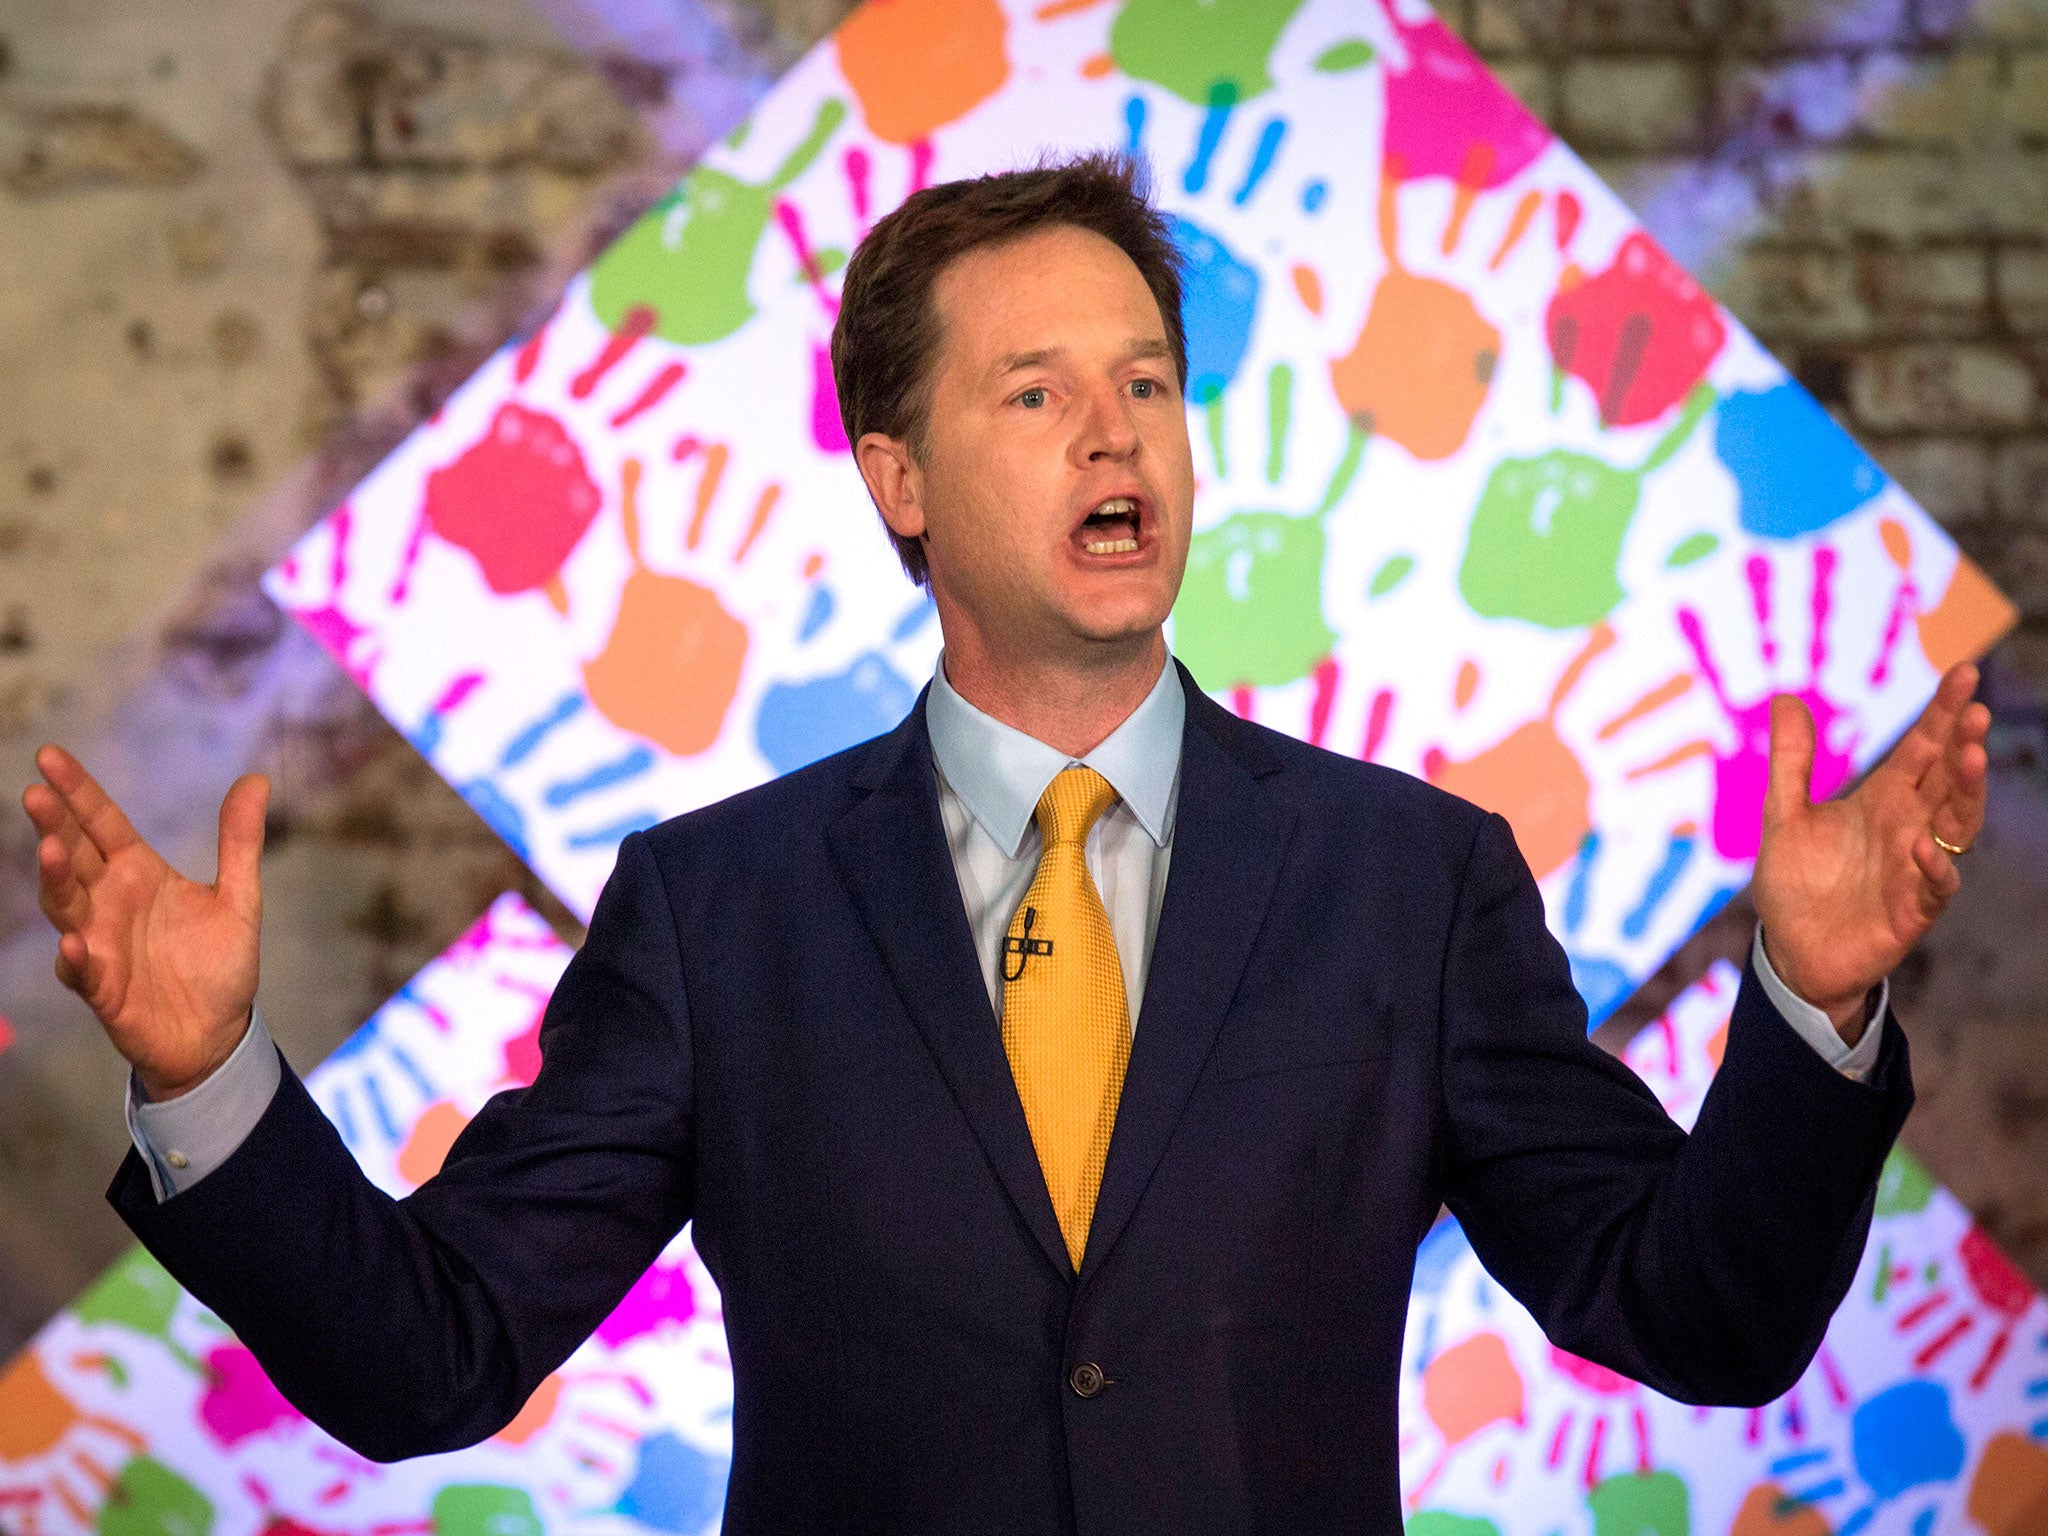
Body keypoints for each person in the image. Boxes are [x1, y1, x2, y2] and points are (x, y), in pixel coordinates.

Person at [22, 155, 1989, 1533]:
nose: (1115, 434)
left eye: (1147, 383)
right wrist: (203, 1078)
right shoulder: (717, 919)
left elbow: (1697, 1317)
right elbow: (424, 1363)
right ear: (897, 477)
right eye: (1035, 392)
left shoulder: (1411, 880)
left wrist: (1811, 1012)